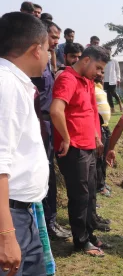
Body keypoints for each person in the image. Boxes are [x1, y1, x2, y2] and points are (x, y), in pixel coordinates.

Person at [0, 11, 52, 276]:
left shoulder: (18, 85)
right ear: (36, 48)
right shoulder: (6, 86)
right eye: (48, 48)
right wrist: (6, 235)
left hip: (24, 216)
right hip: (8, 219)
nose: (49, 56)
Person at [50, 46, 111, 257]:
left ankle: (89, 234)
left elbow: (92, 111)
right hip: (74, 148)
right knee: (80, 195)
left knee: (91, 193)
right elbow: (56, 110)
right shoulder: (67, 79)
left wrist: (96, 136)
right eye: (98, 67)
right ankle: (80, 241)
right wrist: (66, 138)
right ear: (85, 60)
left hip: (89, 146)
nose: (99, 73)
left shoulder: (87, 81)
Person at [31, 19, 70, 240]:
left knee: (49, 174)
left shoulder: (48, 60)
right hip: (40, 122)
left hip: (48, 124)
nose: (56, 41)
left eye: (57, 38)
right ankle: (47, 223)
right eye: (53, 37)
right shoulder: (35, 62)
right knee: (43, 174)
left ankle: (51, 221)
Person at [94, 70, 112, 201]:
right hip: (97, 128)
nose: (101, 74)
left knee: (104, 157)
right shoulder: (90, 87)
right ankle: (99, 186)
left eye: (103, 72)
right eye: (99, 71)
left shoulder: (100, 88)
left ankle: (103, 182)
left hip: (105, 127)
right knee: (99, 159)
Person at [103, 47, 123, 113]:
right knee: (108, 94)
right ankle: (112, 108)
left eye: (108, 51)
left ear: (110, 52)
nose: (107, 52)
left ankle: (120, 103)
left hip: (113, 79)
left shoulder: (114, 60)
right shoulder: (103, 60)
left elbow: (118, 70)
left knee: (112, 92)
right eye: (106, 51)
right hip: (105, 79)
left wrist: (118, 78)